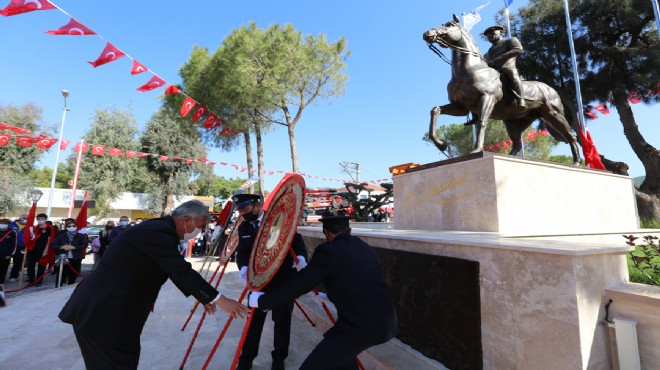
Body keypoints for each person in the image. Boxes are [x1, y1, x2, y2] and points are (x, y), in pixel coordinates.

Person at [58, 200, 250, 369]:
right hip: (104, 313)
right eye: (199, 226)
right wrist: (221, 300)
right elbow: (180, 270)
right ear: (187, 220)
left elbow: (169, 268)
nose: (198, 232)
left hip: (114, 313)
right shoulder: (158, 232)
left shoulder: (159, 230)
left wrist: (203, 297)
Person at [248, 215, 397, 370]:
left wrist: (263, 301)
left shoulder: (328, 251)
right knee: (344, 361)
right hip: (385, 322)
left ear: (326, 233)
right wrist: (329, 296)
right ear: (350, 230)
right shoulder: (364, 247)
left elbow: (301, 284)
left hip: (359, 327)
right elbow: (358, 280)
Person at [233, 193, 308, 370]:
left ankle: (279, 358)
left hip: (283, 280)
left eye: (245, 209)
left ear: (257, 205)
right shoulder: (244, 228)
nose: (243, 213)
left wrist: (301, 257)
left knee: (282, 323)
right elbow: (242, 252)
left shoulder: (279, 219)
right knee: (253, 323)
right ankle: (246, 359)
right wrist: (243, 267)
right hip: (258, 283)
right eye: (240, 210)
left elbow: (296, 241)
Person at [483, 25, 526, 110]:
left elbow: (517, 49)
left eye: (492, 32)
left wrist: (495, 61)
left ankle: (521, 99)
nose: (490, 35)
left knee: (511, 72)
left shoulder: (510, 41)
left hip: (507, 67)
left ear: (501, 32)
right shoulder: (488, 53)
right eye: (488, 35)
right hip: (493, 71)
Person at [51, 219, 88, 287]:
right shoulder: (61, 235)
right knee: (61, 274)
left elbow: (84, 245)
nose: (71, 227)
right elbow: (53, 245)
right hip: (63, 258)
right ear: (66, 227)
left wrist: (74, 247)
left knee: (73, 274)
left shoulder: (80, 236)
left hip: (75, 258)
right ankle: (58, 287)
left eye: (73, 226)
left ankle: (70, 287)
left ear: (76, 226)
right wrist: (62, 247)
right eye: (69, 226)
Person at [25, 213, 55, 287]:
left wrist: (46, 251)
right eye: (38, 219)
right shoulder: (34, 228)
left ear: (45, 219)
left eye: (42, 219)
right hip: (33, 250)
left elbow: (49, 240)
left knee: (41, 266)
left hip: (42, 250)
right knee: (30, 266)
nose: (40, 220)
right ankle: (31, 281)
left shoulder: (49, 228)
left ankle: (39, 281)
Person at [0, 218, 17, 306]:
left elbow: (13, 245)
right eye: (1, 223)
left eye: (4, 223)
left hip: (5, 256)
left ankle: (1, 286)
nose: (2, 225)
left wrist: (10, 254)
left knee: (3, 271)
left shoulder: (12, 232)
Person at [7, 214, 28, 283]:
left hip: (21, 246)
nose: (25, 219)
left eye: (27, 218)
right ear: (20, 218)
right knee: (5, 261)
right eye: (24, 218)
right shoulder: (12, 225)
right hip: (10, 245)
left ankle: (13, 276)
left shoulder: (29, 226)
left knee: (17, 262)